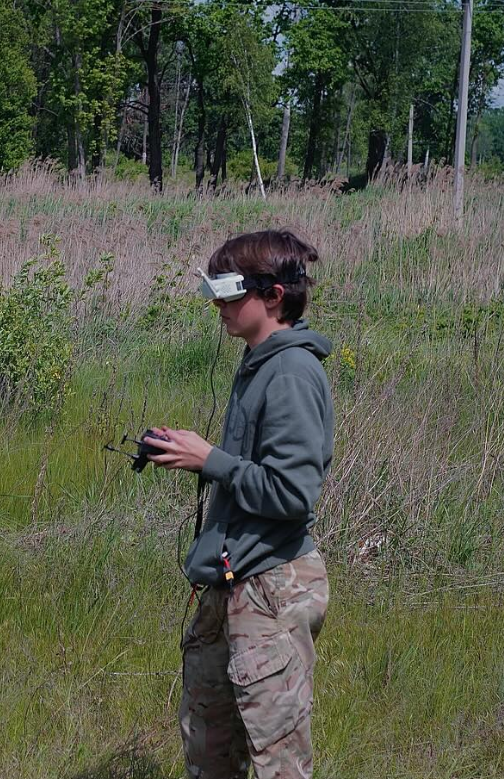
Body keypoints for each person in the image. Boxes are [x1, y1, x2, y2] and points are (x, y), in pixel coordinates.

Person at [146, 230, 334, 779]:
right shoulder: (258, 362)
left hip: (271, 587)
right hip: (231, 581)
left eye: (229, 294)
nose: (219, 307)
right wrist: (195, 455)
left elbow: (293, 493)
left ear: (273, 296)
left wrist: (210, 460)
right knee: (209, 746)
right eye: (214, 294)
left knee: (277, 761)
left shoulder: (292, 372)